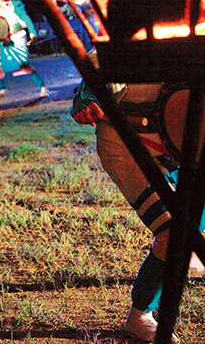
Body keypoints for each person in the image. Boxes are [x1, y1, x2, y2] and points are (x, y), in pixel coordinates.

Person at [72, 65, 205, 343]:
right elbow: (101, 75)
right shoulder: (140, 41)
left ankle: (189, 252)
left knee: (193, 221)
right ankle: (139, 315)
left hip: (180, 148)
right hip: (126, 148)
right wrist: (89, 98)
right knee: (172, 236)